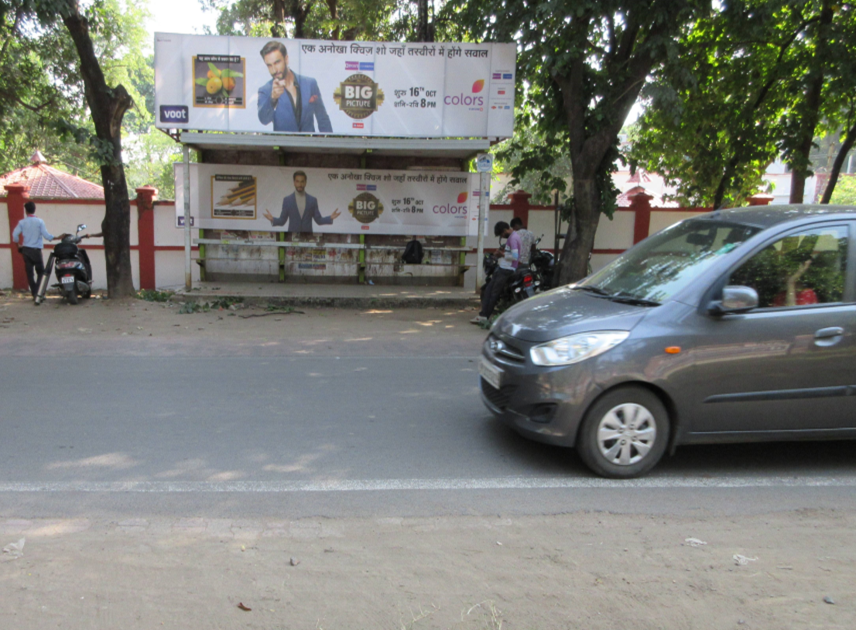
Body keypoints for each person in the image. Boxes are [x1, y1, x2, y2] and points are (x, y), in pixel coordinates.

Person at [257, 41, 333, 133]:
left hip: (309, 145)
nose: (274, 70)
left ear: (286, 59)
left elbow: (323, 118)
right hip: (284, 146)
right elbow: (264, 120)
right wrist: (273, 99)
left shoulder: (310, 84)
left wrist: (327, 144)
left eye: (277, 62)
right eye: (269, 65)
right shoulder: (266, 90)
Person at [11, 201, 64, 299]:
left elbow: (14, 235)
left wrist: (18, 245)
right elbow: (47, 236)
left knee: (29, 273)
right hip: (36, 250)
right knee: (40, 272)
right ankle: (39, 292)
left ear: (26, 210)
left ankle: (34, 292)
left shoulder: (22, 222)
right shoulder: (39, 222)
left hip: (26, 250)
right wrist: (57, 237)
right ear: (34, 209)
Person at [471, 221, 520, 324]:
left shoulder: (513, 238)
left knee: (493, 293)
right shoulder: (512, 237)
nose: (502, 236)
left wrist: (502, 255)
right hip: (502, 267)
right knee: (488, 291)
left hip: (506, 269)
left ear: (505, 230)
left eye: (501, 234)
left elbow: (515, 257)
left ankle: (485, 316)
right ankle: (484, 314)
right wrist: (501, 253)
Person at [262, 171, 341, 234]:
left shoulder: (312, 200)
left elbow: (318, 220)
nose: (300, 184)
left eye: (302, 181)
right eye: (297, 181)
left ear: (305, 183)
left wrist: (330, 218)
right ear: (294, 182)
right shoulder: (287, 200)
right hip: (292, 237)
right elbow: (282, 220)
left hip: (308, 238)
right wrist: (272, 219)